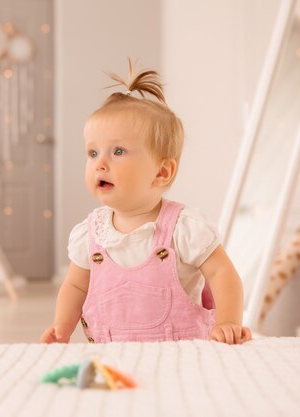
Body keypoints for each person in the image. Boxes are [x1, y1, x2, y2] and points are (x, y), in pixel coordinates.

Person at [40, 65, 252, 345]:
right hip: (113, 357)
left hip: (185, 357)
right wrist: (62, 326)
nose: (100, 163)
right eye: (92, 152)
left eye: (118, 151)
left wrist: (228, 322)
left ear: (161, 172)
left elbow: (222, 274)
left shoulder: (183, 228)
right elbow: (75, 285)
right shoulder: (91, 234)